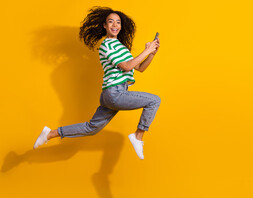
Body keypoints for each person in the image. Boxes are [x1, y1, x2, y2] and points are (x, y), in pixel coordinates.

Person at [33, 6, 161, 160]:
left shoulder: (120, 46)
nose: (115, 25)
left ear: (121, 26)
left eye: (118, 22)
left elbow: (139, 68)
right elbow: (127, 66)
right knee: (154, 100)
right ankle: (138, 136)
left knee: (91, 128)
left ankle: (51, 133)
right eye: (111, 22)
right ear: (104, 26)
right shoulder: (106, 46)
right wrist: (146, 51)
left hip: (114, 94)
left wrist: (151, 54)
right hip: (115, 93)